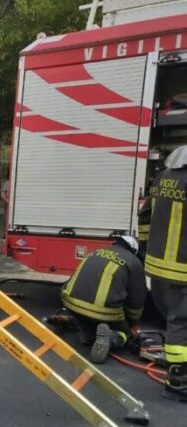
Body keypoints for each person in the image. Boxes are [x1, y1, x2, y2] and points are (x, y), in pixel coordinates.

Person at [144, 146, 187, 401]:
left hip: (158, 266)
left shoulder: (163, 178)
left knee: (174, 320)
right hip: (182, 268)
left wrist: (146, 249)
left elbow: (144, 215)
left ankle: (177, 371)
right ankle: (177, 382)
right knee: (181, 323)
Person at [60, 236, 147, 364]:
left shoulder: (96, 252)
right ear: (134, 250)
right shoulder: (133, 261)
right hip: (103, 312)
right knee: (125, 331)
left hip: (70, 303)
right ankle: (111, 338)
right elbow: (137, 298)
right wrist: (132, 321)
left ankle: (88, 334)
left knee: (89, 320)